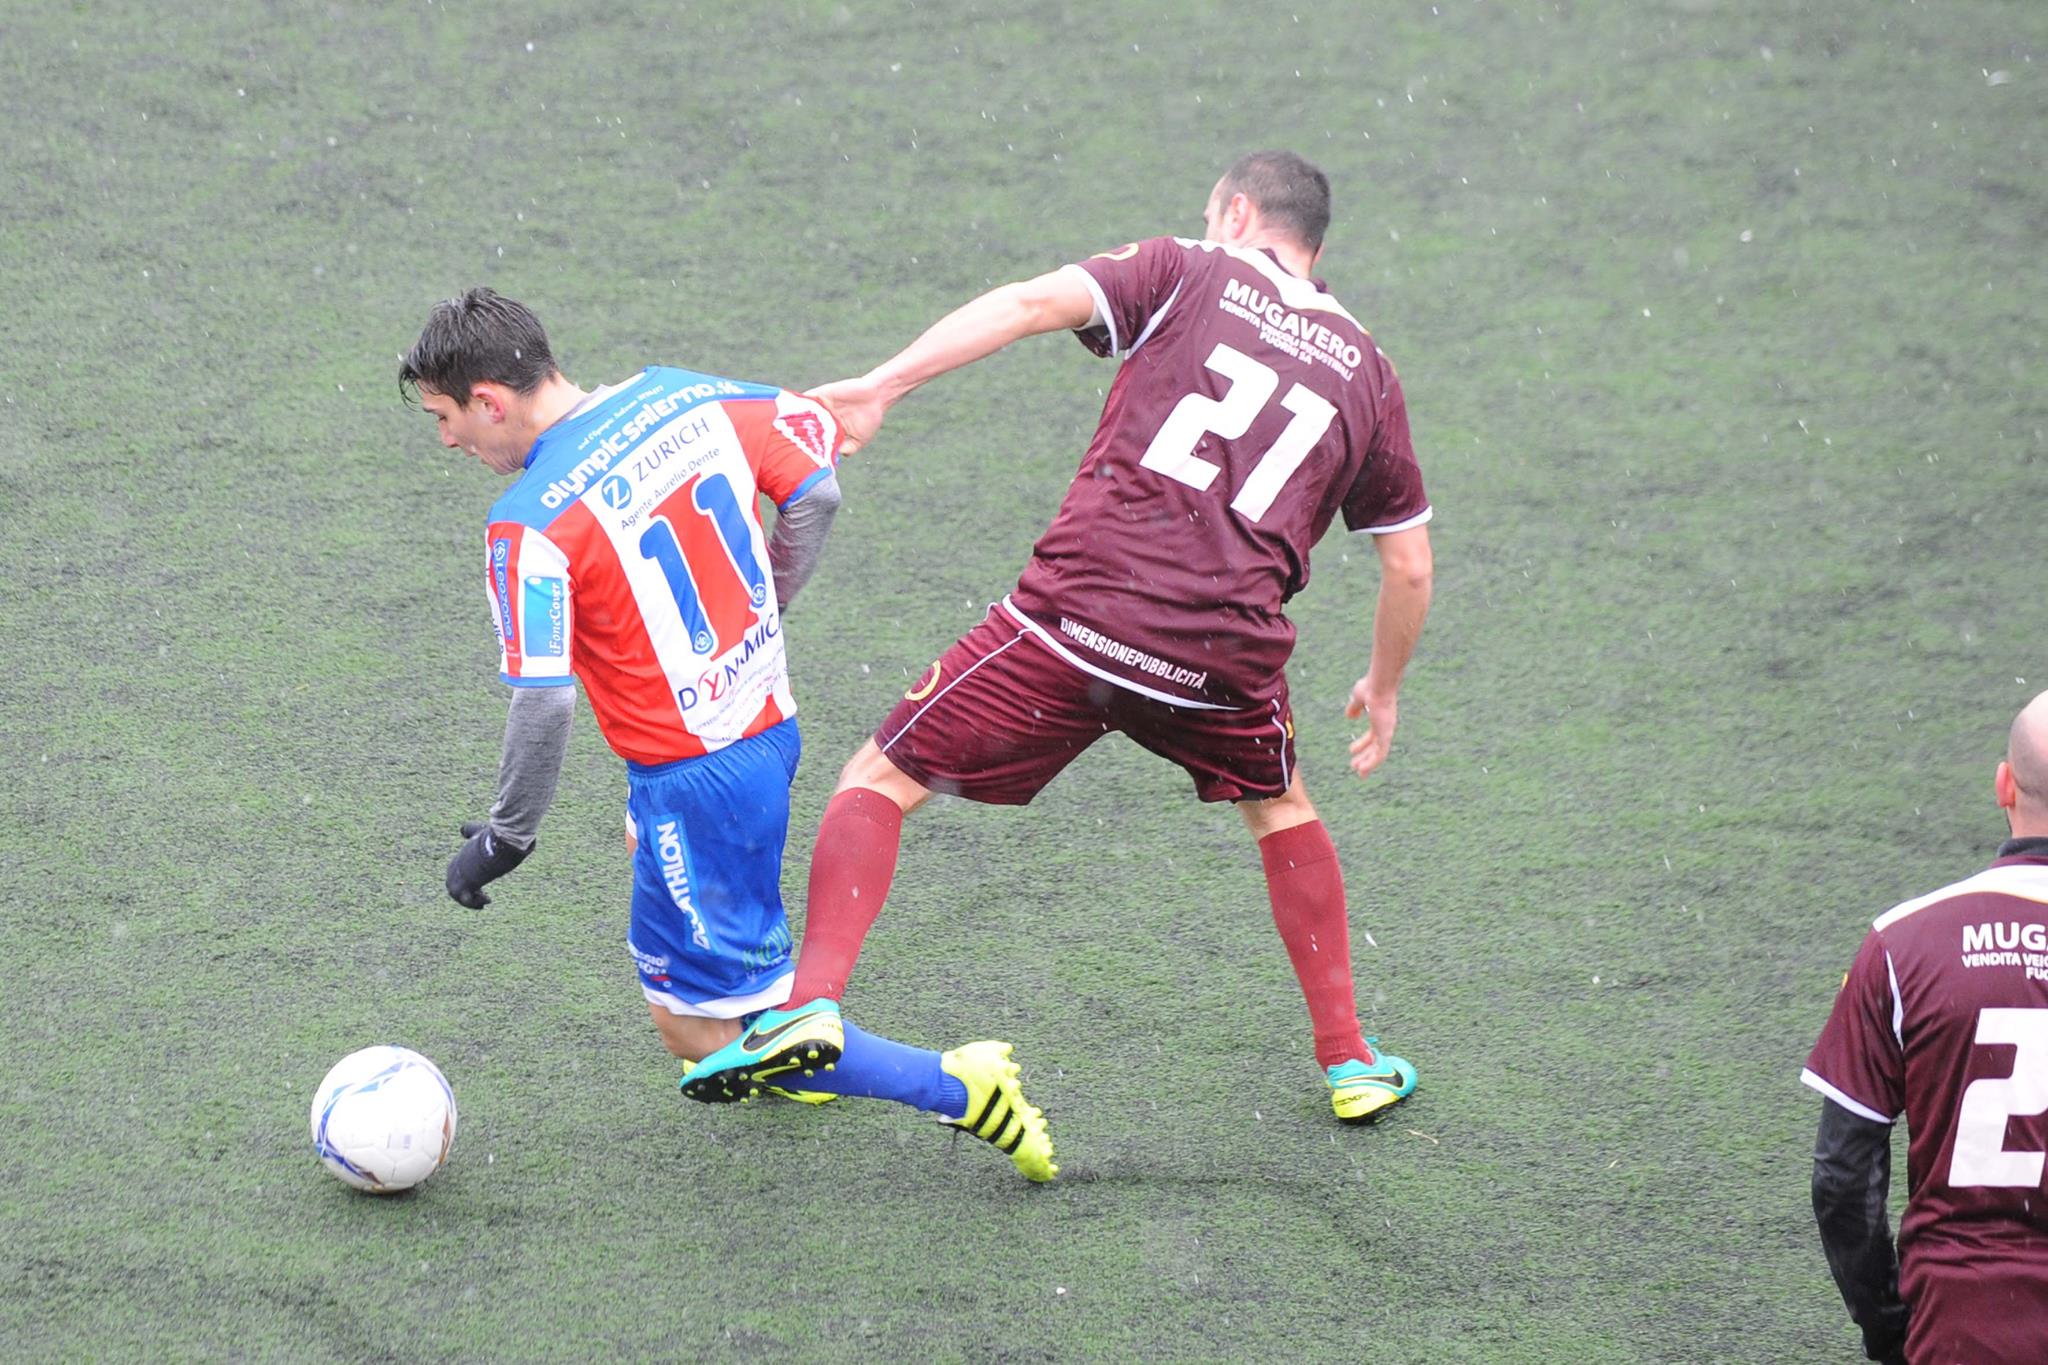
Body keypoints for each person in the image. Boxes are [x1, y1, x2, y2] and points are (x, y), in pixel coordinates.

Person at [682, 150, 1434, 1126]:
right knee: (1282, 809)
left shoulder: (1189, 267)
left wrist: (883, 384)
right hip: (1224, 658)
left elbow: (1033, 302)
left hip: (1081, 620)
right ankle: (1349, 1062)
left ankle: (808, 1006)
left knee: (878, 779)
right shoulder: (1368, 371)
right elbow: (1408, 565)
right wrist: (1381, 683)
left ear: (1237, 212)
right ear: (1316, 249)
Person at [397, 288, 1055, 1181]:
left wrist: (507, 836)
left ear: (489, 399)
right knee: (733, 954)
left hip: (690, 777)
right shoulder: (685, 393)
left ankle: (956, 1084)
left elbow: (544, 701)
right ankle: (795, 1036)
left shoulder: (528, 525)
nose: (447, 441)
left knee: (691, 1026)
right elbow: (815, 491)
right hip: (765, 725)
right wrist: (766, 602)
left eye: (445, 417)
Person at [1803, 691, 2048, 1364]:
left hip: (1960, 1326)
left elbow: (1842, 1177)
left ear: (2004, 783)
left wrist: (1886, 1320)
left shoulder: (1905, 942)